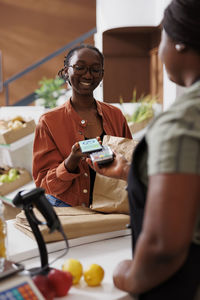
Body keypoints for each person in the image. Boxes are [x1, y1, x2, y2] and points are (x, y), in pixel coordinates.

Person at [87, 0, 200, 299]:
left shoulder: (183, 121)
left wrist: (128, 275)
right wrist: (127, 172)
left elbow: (164, 246)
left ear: (179, 44)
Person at [32, 44, 132, 207]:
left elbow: (129, 161)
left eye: (95, 69)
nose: (87, 75)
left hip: (112, 205)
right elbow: (44, 185)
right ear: (66, 71)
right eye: (80, 68)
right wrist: (71, 161)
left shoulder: (115, 115)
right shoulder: (48, 121)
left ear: (102, 74)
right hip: (67, 207)